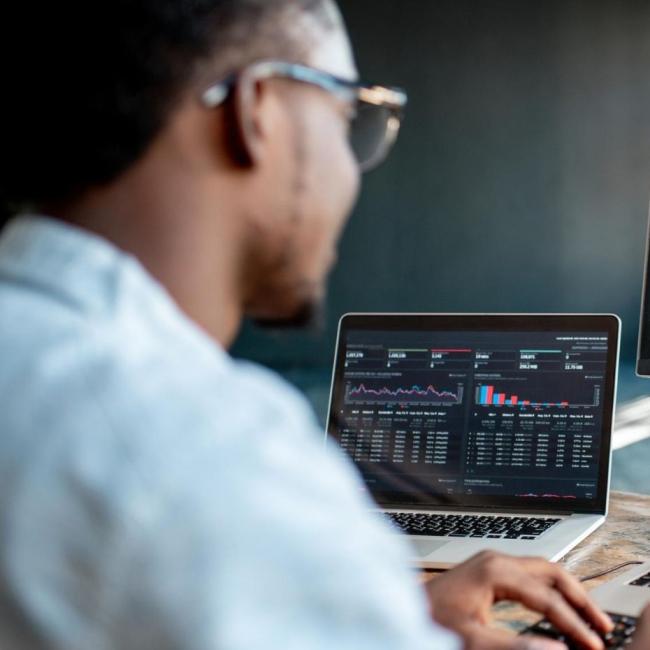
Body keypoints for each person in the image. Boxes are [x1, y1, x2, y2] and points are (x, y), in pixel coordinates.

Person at [0, 1, 647, 648]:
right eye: (347, 118)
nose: (353, 172)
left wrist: (402, 618)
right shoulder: (212, 451)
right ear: (256, 112)